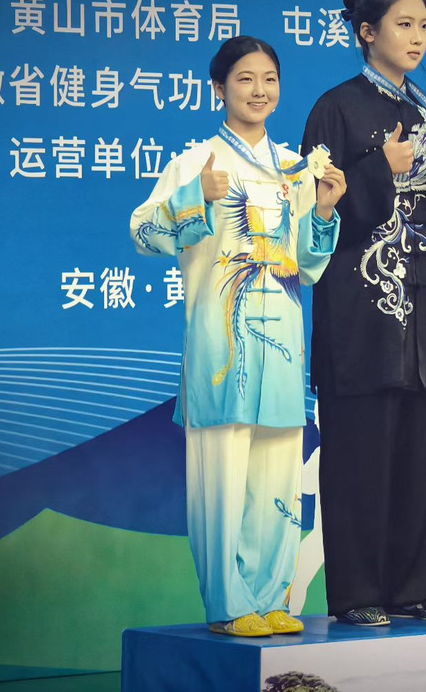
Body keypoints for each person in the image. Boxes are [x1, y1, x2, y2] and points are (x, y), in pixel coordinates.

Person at [129, 36, 346, 636]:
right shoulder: (196, 163)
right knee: (221, 483)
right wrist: (193, 197)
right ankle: (228, 605)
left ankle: (272, 598)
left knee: (278, 482)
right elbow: (144, 232)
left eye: (269, 79)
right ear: (218, 89)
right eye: (245, 79)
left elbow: (307, 265)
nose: (259, 90)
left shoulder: (296, 169)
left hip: (283, 348)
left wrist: (324, 211)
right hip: (221, 349)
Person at [301, 0, 426, 626]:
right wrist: (382, 168)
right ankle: (356, 594)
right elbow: (314, 211)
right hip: (361, 314)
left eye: (424, 26)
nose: (417, 37)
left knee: (424, 459)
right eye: (404, 24)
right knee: (361, 459)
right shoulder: (335, 109)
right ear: (367, 31)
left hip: (424, 309)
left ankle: (416, 588)